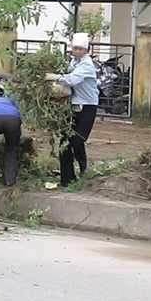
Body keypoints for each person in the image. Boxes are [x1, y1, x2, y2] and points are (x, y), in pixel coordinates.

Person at [48, 32, 99, 187]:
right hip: (73, 106)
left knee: (77, 141)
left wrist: (54, 77)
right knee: (65, 142)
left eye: (80, 49)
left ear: (86, 50)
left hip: (88, 106)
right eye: (75, 48)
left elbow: (73, 80)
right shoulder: (73, 62)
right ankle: (67, 179)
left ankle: (84, 169)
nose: (77, 51)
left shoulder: (86, 65)